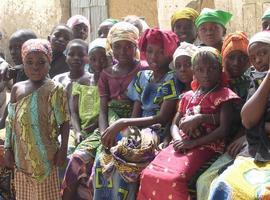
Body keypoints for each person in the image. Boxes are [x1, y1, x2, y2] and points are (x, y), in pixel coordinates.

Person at [137, 47, 240, 200]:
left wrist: (193, 143)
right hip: (181, 143)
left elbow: (224, 129)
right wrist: (177, 138)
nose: (205, 74)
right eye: (200, 69)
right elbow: (174, 124)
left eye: (211, 69)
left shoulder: (225, 95)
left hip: (207, 146)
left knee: (173, 178)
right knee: (148, 173)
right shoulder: (187, 96)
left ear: (220, 69)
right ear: (194, 72)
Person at [3, 39, 69, 200]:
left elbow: (64, 122)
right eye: (29, 62)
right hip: (21, 156)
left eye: (41, 62)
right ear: (23, 63)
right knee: (25, 194)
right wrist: (7, 149)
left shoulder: (55, 89)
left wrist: (63, 151)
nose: (35, 67)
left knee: (46, 194)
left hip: (46, 156)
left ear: (49, 62)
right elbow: (10, 122)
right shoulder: (18, 89)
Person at [208, 30, 270, 200]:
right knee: (222, 184)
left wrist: (261, 126)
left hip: (254, 145)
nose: (258, 60)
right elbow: (248, 120)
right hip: (256, 148)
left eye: (264, 53)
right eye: (254, 57)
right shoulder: (257, 81)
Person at [196, 31, 250, 200]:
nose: (236, 62)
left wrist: (245, 136)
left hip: (235, 142)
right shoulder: (211, 81)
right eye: (231, 57)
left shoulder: (253, 83)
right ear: (223, 59)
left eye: (242, 57)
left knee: (209, 180)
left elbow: (250, 118)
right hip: (210, 140)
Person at [62, 38, 108, 200]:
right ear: (89, 60)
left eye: (103, 59)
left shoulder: (109, 82)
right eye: (94, 59)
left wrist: (93, 128)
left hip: (98, 129)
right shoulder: (80, 82)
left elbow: (105, 112)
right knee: (66, 153)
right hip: (79, 129)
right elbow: (73, 112)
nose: (98, 63)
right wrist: (78, 130)